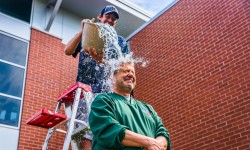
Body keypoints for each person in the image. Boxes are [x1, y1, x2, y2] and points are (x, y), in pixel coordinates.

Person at [64, 5, 130, 148]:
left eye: (113, 19)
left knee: (107, 131)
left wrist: (103, 61)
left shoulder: (120, 41)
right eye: (108, 16)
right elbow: (68, 50)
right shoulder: (89, 33)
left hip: (107, 92)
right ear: (100, 17)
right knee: (83, 130)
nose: (110, 20)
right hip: (85, 90)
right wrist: (83, 30)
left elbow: (124, 67)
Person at [89, 62, 171, 150]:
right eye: (126, 71)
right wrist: (148, 142)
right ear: (112, 76)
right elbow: (108, 130)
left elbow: (163, 133)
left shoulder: (147, 107)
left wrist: (157, 145)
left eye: (133, 72)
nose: (130, 74)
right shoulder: (103, 100)